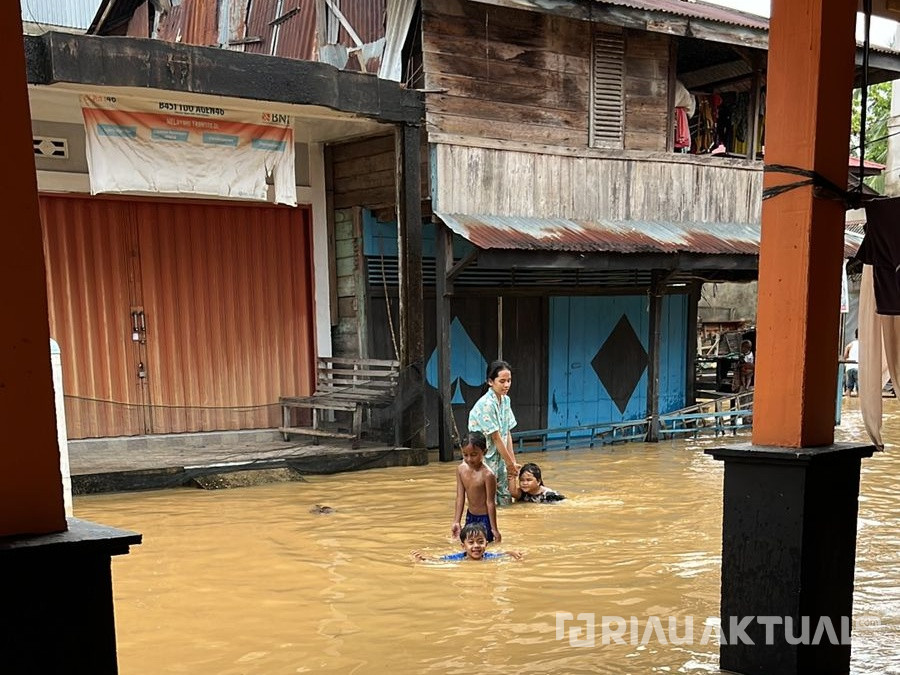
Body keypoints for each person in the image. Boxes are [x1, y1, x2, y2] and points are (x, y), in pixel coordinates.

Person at [468, 360, 519, 506]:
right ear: (491, 382)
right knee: (487, 503)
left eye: (509, 381)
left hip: (501, 459)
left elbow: (506, 432)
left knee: (506, 500)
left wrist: (512, 462)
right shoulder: (486, 404)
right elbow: (496, 437)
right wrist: (510, 464)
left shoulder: (506, 401)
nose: (506, 385)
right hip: (484, 460)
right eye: (502, 381)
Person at [451, 431, 500, 543]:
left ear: (485, 452)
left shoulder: (488, 475)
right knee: (468, 547)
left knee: (485, 549)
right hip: (470, 516)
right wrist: (456, 521)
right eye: (465, 455)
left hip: (485, 519)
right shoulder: (460, 470)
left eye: (473, 455)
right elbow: (460, 497)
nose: (469, 459)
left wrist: (494, 529)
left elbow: (490, 503)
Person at [412, 523, 522, 562]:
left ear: (486, 544)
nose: (476, 546)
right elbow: (439, 559)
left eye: (480, 542)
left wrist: (511, 553)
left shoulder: (489, 557)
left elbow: (503, 555)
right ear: (463, 546)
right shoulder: (457, 558)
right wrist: (422, 559)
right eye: (471, 542)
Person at [843, 330, 859, 396]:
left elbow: (845, 355)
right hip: (858, 367)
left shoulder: (851, 344)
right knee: (860, 389)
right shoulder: (865, 344)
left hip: (849, 367)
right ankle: (860, 404)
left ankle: (846, 403)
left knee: (849, 388)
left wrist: (847, 358)